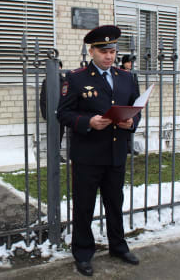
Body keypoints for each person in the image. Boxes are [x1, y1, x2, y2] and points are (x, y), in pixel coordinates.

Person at [57, 25, 140, 277]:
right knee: (84, 206)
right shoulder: (76, 77)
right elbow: (64, 114)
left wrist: (131, 123)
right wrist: (88, 122)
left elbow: (136, 108)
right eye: (103, 51)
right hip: (88, 155)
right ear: (91, 51)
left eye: (113, 51)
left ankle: (118, 246)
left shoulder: (126, 77)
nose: (109, 56)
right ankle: (83, 253)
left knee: (115, 202)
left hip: (116, 152)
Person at [39, 60, 66, 162]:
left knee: (60, 134)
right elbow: (43, 98)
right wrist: (46, 114)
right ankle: (52, 155)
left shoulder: (65, 81)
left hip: (62, 113)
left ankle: (57, 155)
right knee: (52, 135)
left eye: (58, 67)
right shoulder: (47, 81)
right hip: (51, 113)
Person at [120, 54, 140, 156]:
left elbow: (136, 88)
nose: (130, 64)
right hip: (124, 102)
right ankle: (125, 145)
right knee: (125, 123)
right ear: (123, 63)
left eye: (132, 62)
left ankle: (130, 145)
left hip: (134, 101)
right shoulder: (120, 73)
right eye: (128, 62)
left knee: (133, 122)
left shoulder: (133, 74)